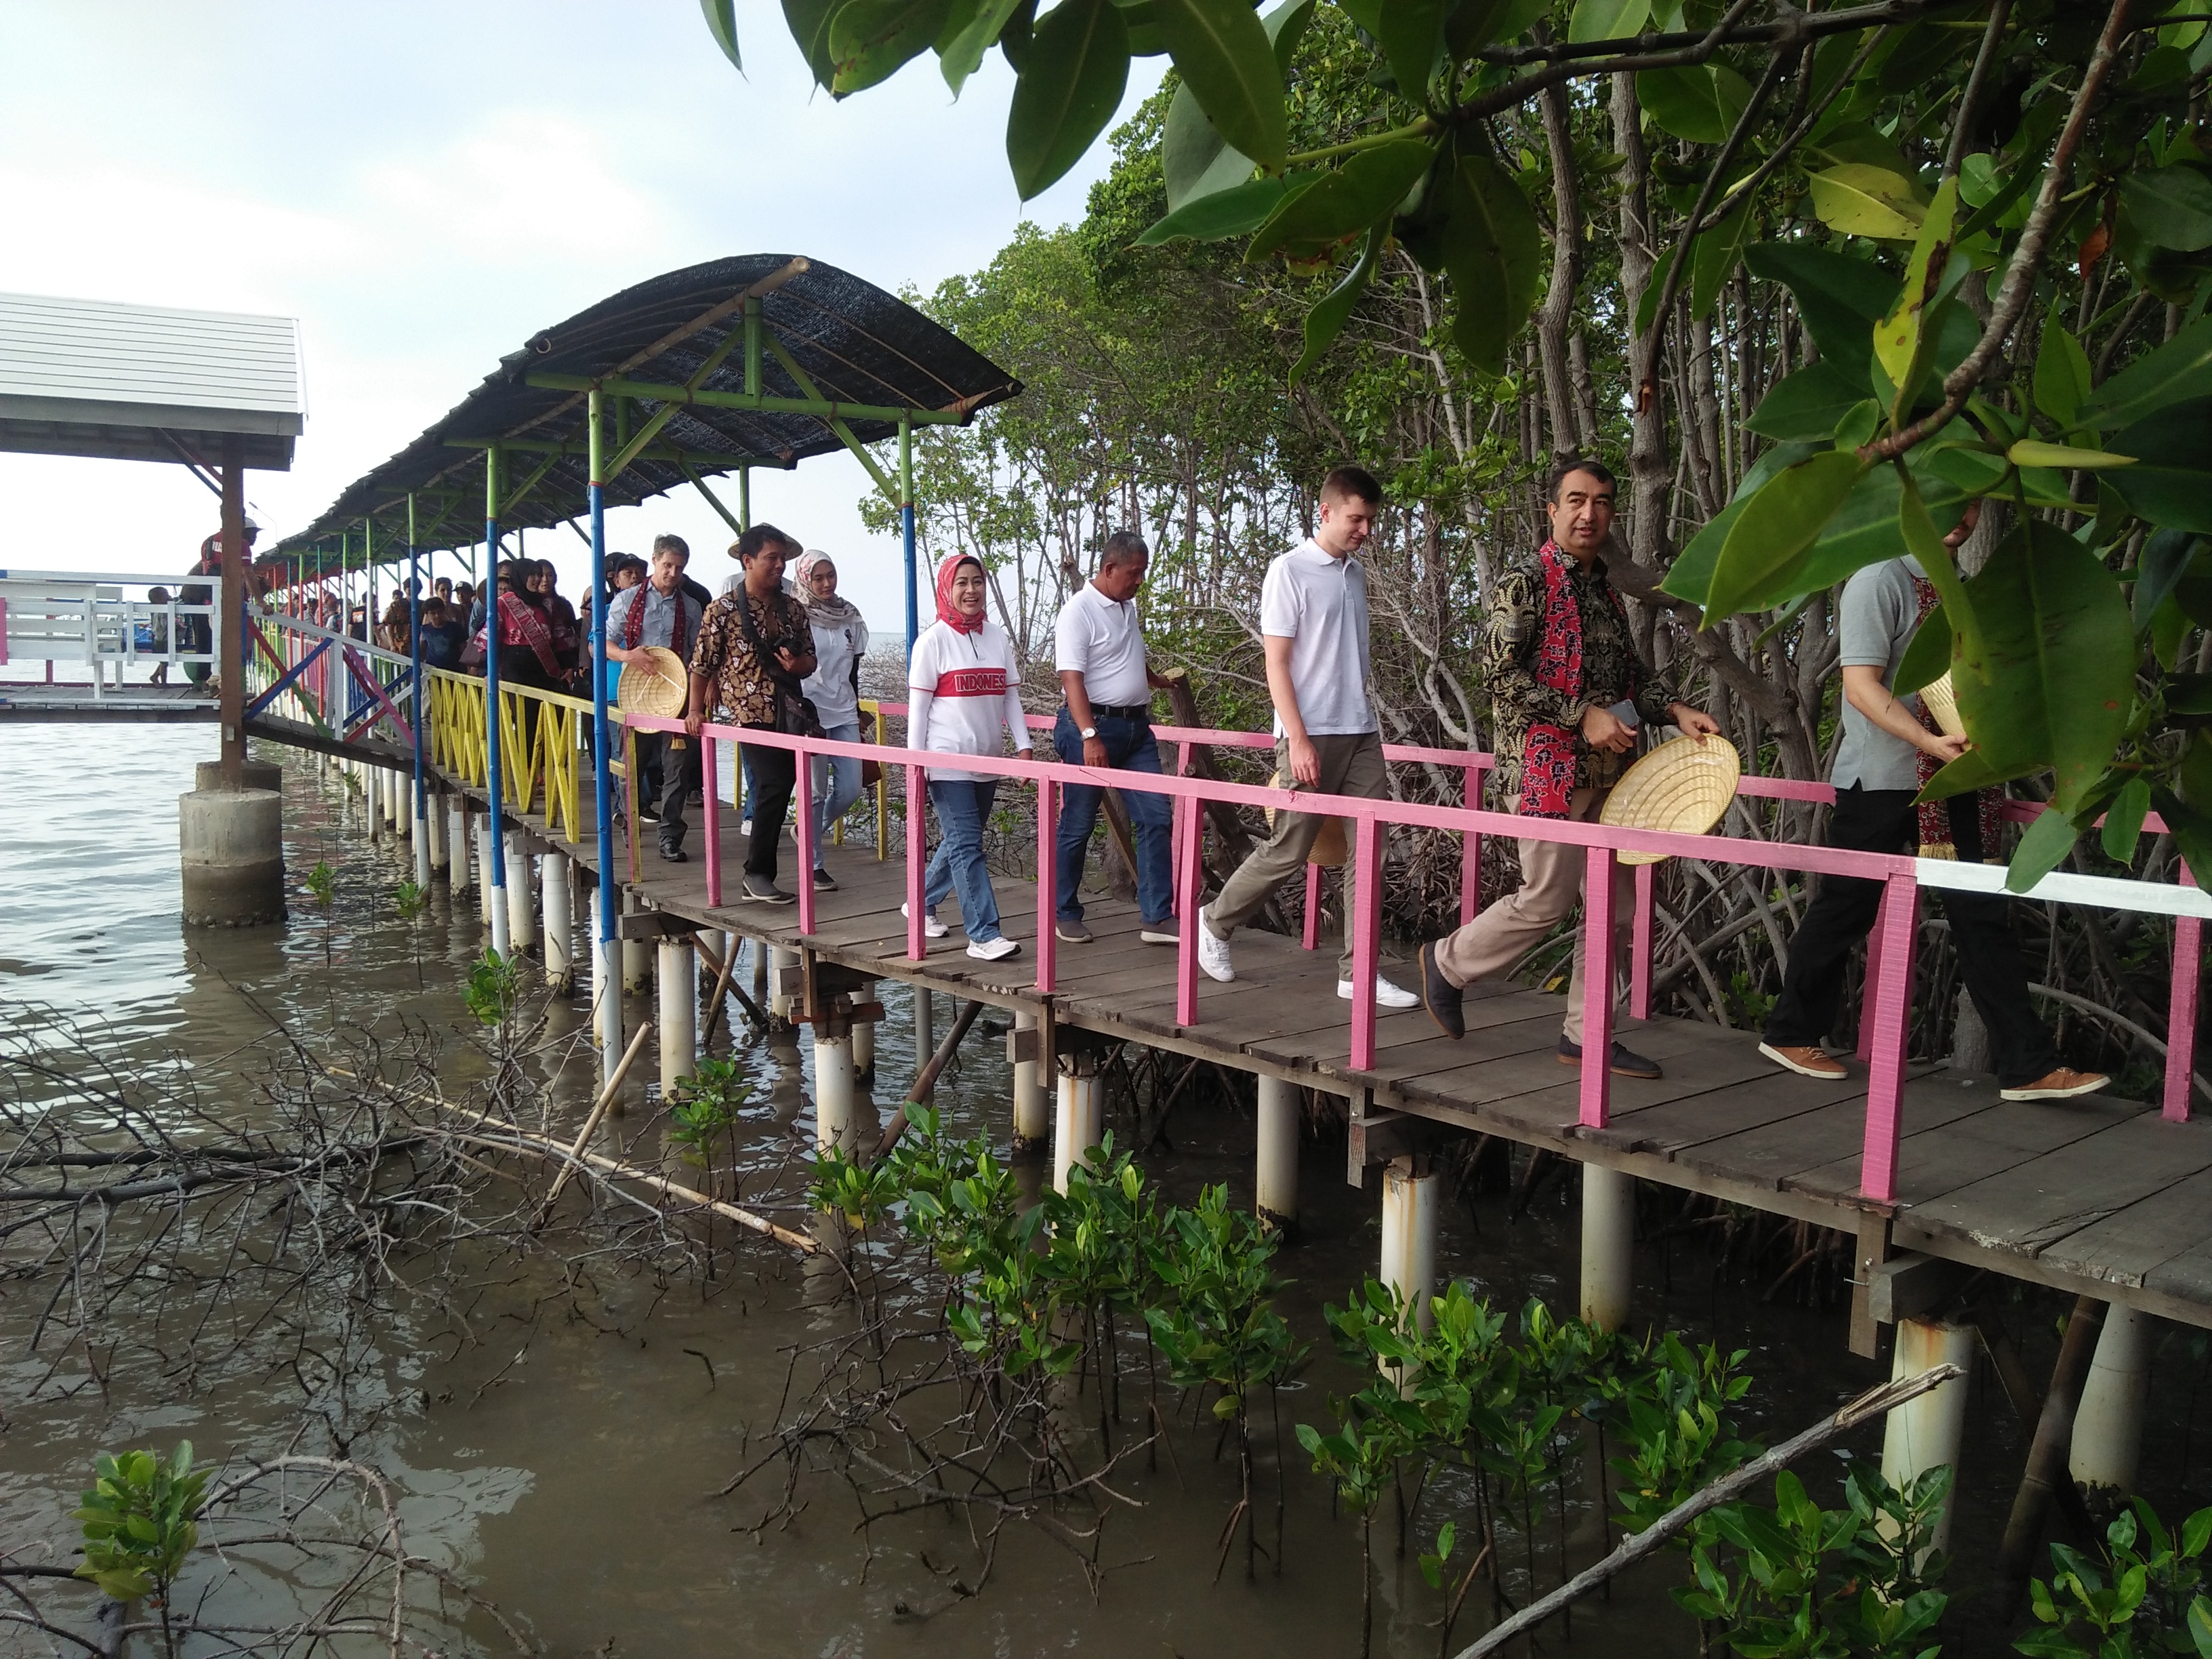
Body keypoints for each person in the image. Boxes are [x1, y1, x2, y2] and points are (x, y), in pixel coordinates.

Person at [1759, 502, 2109, 1101]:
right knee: (1846, 907)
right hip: (1884, 779)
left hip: (1960, 779)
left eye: (1971, 502)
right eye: (1945, 498)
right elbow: (1862, 685)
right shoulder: (1879, 579)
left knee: (1983, 916)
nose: (1960, 514)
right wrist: (1927, 741)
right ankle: (1791, 1032)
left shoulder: (1966, 591)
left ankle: (2029, 1067)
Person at [1414, 460, 1722, 1078]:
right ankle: (1445, 963)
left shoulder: (1604, 589)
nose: (1590, 514)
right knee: (1546, 899)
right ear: (1552, 511)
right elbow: (1500, 676)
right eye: (1577, 501)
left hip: (1614, 777)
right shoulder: (1524, 583)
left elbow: (1630, 679)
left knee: (1616, 909)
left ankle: (1587, 1036)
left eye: (1603, 503)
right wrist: (1581, 714)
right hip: (1546, 774)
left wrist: (1677, 710)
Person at [1196, 465, 1417, 1008]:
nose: (1364, 530)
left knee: (1371, 853)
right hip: (1308, 733)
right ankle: (1215, 922)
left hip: (1361, 730)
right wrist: (1296, 738)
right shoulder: (1288, 571)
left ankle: (1357, 974)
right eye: (1356, 519)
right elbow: (1277, 664)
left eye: (1370, 521)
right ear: (1326, 511)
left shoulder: (1355, 574)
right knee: (1290, 849)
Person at [1051, 530, 1176, 945]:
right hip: (1094, 728)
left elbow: (1128, 652)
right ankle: (1064, 912)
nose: (1140, 581)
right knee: (1078, 823)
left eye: (1143, 573)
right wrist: (1089, 736)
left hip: (1137, 730)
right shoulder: (1078, 612)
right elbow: (1073, 679)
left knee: (1156, 817)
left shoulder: (1127, 606)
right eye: (1134, 573)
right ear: (1109, 569)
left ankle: (1157, 917)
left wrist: (1152, 679)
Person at [905, 552, 1033, 960]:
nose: (971, 590)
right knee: (967, 846)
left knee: (963, 841)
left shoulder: (996, 637)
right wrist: (917, 762)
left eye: (977, 582)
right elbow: (918, 709)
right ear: (947, 588)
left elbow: (1009, 694)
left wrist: (1024, 747)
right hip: (947, 759)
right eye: (961, 583)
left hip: (988, 759)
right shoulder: (933, 642)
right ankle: (983, 934)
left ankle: (920, 901)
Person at [686, 525, 817, 904]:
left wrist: (796, 665)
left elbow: (810, 660)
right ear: (748, 561)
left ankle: (760, 872)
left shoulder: (792, 608)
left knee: (784, 781)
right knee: (775, 781)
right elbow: (702, 664)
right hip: (748, 711)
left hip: (788, 709)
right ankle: (757, 873)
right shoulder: (722, 609)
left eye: (783, 558)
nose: (780, 565)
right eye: (771, 558)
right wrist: (696, 711)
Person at [608, 539, 706, 863]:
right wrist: (627, 655)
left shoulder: (691, 607)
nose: (673, 573)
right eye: (668, 565)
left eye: (679, 567)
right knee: (631, 766)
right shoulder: (626, 600)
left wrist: (699, 700)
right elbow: (600, 645)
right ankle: (628, 822)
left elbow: (698, 658)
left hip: (676, 697)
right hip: (635, 696)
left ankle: (670, 837)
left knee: (677, 769)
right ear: (654, 561)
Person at [793, 550, 870, 892]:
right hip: (809, 711)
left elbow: (853, 670)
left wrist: (856, 709)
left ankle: (807, 830)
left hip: (843, 709)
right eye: (818, 578)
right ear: (806, 579)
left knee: (851, 787)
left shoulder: (850, 616)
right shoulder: (796, 615)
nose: (826, 584)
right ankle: (813, 865)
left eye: (831, 575)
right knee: (814, 792)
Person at [481, 558, 564, 693]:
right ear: (521, 575)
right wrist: (491, 671)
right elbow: (491, 639)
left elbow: (559, 635)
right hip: (516, 669)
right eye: (532, 574)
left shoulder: (547, 603)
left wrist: (568, 665)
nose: (537, 579)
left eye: (539, 574)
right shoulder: (504, 603)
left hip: (544, 669)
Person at [419, 598, 466, 669]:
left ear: (444, 611)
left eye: (440, 612)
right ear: (427, 614)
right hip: (433, 672)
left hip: (454, 671)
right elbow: (422, 649)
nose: (437, 616)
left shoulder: (456, 628)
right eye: (433, 613)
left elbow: (464, 650)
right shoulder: (425, 629)